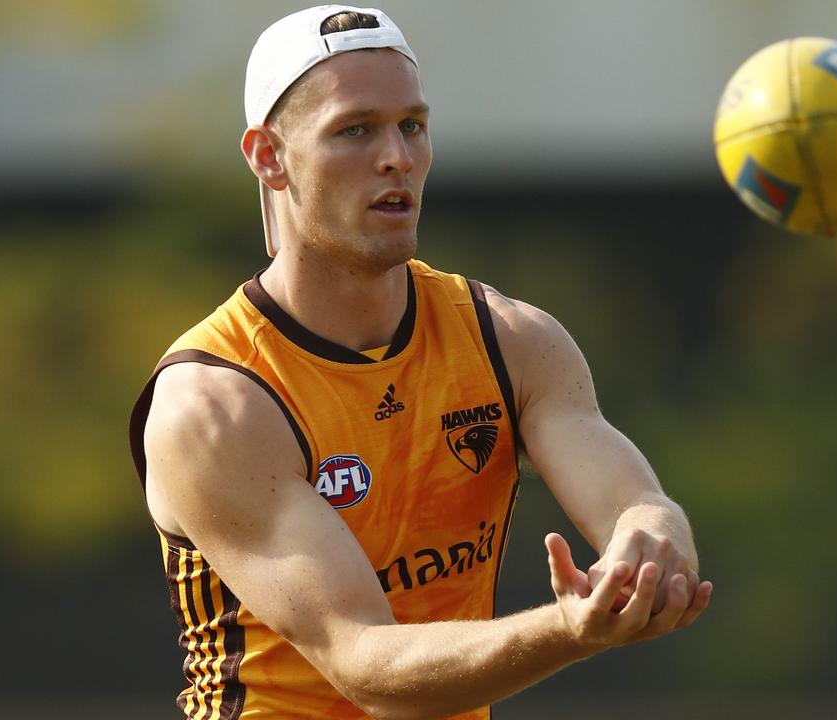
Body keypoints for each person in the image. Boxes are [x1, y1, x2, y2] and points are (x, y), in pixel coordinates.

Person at [128, 6, 712, 719]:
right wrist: (569, 629)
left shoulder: (513, 342)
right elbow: (365, 665)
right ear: (268, 155)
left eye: (412, 125)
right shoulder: (217, 403)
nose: (397, 157)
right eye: (354, 130)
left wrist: (648, 547)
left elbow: (636, 504)